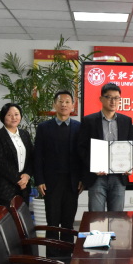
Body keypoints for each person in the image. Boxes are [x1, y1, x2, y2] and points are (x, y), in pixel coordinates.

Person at [34, 90, 81, 246]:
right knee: (52, 222)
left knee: (68, 222)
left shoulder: (79, 127)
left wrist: (83, 179)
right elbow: (38, 156)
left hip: (72, 182)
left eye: (67, 102)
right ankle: (52, 256)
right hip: (51, 182)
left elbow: (83, 156)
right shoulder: (44, 128)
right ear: (54, 105)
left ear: (73, 106)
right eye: (60, 102)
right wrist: (39, 180)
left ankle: (67, 255)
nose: (64, 105)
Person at [78, 83, 133, 211]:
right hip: (97, 177)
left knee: (117, 217)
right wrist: (93, 166)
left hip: (119, 176)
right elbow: (81, 148)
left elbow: (131, 147)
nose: (113, 101)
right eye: (109, 97)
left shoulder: (126, 121)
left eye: (116, 98)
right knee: (96, 217)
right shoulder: (89, 121)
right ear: (101, 99)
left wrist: (130, 164)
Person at [0, 102, 33, 207]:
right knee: (7, 216)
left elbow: (32, 157)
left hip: (24, 186)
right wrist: (19, 180)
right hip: (5, 188)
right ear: (3, 117)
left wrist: (27, 175)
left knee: (22, 216)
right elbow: (1, 163)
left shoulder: (25, 134)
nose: (14, 118)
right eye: (9, 115)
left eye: (16, 114)